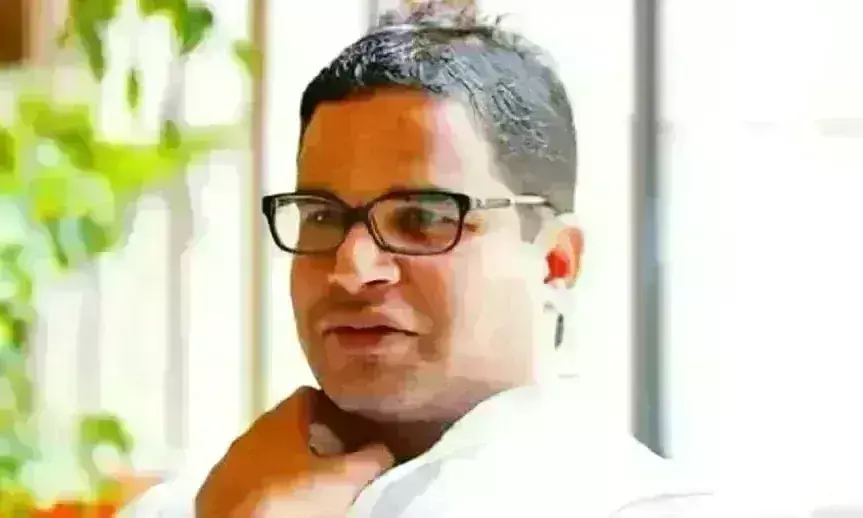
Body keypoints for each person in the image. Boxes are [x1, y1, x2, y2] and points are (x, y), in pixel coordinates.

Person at [121, 3, 720, 517]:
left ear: (555, 263)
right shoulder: (185, 506)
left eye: (422, 219)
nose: (352, 269)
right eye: (322, 216)